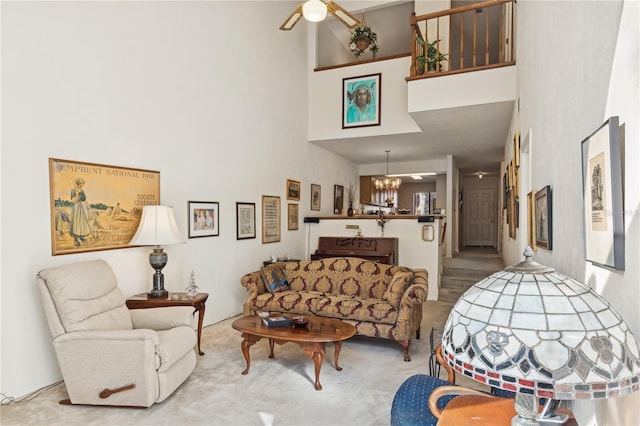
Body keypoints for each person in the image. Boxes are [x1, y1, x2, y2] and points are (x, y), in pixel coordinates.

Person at [69, 177, 92, 246]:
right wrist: (76, 194)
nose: (83, 184)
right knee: (77, 222)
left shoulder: (82, 191)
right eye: (82, 183)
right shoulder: (73, 190)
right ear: (79, 183)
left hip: (83, 208)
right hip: (77, 208)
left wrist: (89, 207)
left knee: (82, 222)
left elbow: (85, 200)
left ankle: (81, 236)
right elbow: (74, 201)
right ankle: (75, 239)